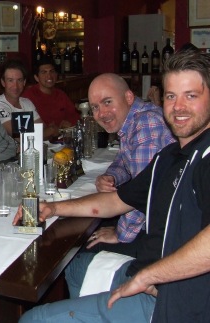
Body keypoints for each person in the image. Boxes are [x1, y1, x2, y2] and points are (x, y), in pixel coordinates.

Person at [13, 48, 210, 323]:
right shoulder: (170, 158)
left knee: (32, 319)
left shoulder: (206, 156)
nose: (178, 107)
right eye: (170, 96)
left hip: (174, 302)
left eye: (191, 96)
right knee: (76, 269)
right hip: (151, 274)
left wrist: (148, 275)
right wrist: (52, 207)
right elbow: (117, 201)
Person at [85, 73, 175, 253]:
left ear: (128, 97)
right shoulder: (135, 119)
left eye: (107, 102)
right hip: (157, 221)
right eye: (95, 107)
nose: (101, 113)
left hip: (164, 234)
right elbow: (124, 159)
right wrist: (111, 176)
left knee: (80, 255)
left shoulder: (146, 123)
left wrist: (120, 233)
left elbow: (144, 193)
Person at [0, 59, 58, 141]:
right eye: (10, 80)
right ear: (3, 83)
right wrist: (50, 131)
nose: (15, 86)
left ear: (24, 82)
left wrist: (46, 132)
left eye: (19, 80)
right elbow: (21, 138)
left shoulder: (27, 102)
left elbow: (42, 130)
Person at [22, 57, 79, 131]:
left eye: (52, 71)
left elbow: (75, 117)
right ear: (36, 78)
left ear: (56, 75)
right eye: (44, 72)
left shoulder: (61, 94)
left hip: (62, 138)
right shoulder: (28, 96)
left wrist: (69, 123)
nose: (49, 76)